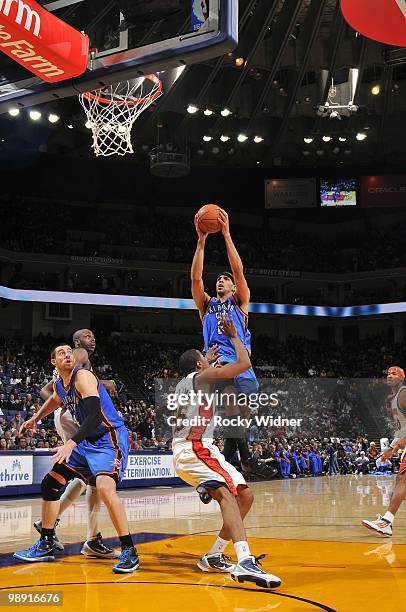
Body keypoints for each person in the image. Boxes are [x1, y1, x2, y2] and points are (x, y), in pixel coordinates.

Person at [172, 314, 281, 589]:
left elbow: (204, 371)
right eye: (205, 357)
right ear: (199, 364)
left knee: (244, 495)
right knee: (228, 496)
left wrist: (206, 356)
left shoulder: (185, 382)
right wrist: (236, 336)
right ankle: (245, 559)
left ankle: (213, 555)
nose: (208, 359)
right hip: (195, 448)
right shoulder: (202, 377)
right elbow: (244, 364)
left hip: (193, 449)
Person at [14, 344, 138, 574]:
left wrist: (70, 444)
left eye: (69, 351)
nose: (67, 354)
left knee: (104, 487)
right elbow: (54, 400)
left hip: (108, 437)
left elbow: (93, 416)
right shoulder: (61, 384)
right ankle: (46, 542)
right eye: (61, 353)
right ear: (54, 363)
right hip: (88, 440)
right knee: (51, 483)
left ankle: (129, 551)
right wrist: (35, 418)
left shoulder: (83, 377)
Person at [191, 209, 272, 478]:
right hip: (219, 365)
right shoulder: (206, 305)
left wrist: (226, 234)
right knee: (230, 412)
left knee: (236, 425)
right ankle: (247, 462)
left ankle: (224, 470)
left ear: (235, 288)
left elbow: (238, 270)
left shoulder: (240, 302)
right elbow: (195, 279)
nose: (221, 280)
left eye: (225, 279)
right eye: (219, 279)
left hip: (244, 367)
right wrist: (201, 242)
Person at [23, 329, 116, 558]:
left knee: (83, 477)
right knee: (91, 476)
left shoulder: (73, 369)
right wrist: (98, 386)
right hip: (73, 417)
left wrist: (48, 410)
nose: (92, 338)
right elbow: (50, 391)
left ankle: (55, 522)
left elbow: (50, 390)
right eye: (86, 335)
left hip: (71, 415)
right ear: (77, 342)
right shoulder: (78, 354)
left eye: (94, 335)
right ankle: (87, 537)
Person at [362, 366, 406, 536]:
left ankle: (386, 522)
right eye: (388, 373)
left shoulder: (403, 394)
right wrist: (389, 449)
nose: (389, 375)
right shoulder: (394, 398)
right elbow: (401, 429)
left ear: (402, 378)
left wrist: (395, 447)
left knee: (402, 479)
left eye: (394, 373)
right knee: (400, 481)